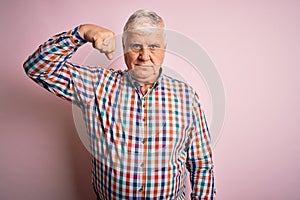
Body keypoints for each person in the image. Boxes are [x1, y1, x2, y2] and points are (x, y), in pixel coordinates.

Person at [23, 9, 215, 200]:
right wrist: (81, 33)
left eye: (154, 46)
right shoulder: (97, 85)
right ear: (123, 47)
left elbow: (201, 164)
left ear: (164, 48)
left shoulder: (186, 96)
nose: (144, 55)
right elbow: (37, 68)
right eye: (135, 46)